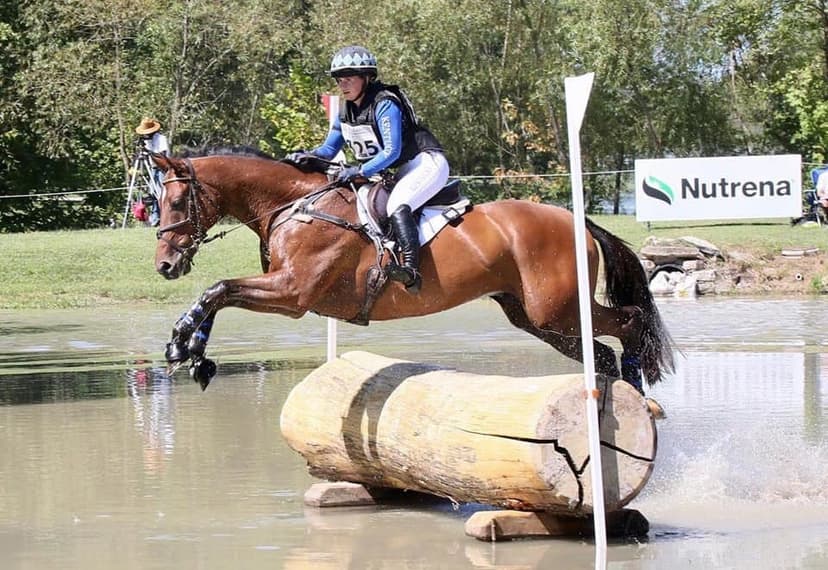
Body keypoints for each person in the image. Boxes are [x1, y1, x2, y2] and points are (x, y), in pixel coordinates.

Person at [290, 46, 449, 293]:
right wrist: (304, 156)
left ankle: (411, 271)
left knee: (397, 205)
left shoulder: (384, 103)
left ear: (366, 77)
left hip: (425, 163)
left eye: (349, 78)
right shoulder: (346, 111)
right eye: (339, 79)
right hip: (399, 171)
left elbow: (391, 151)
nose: (342, 85)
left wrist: (359, 171)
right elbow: (328, 150)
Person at [134, 117, 170, 226]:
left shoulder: (161, 139)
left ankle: (164, 216)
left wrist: (149, 152)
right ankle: (155, 218)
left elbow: (162, 155)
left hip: (162, 169)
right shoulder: (147, 141)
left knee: (161, 193)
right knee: (153, 194)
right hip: (152, 169)